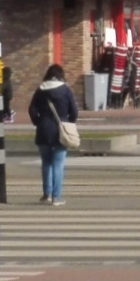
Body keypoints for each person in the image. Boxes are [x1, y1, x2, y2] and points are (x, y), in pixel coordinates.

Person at [28, 63, 79, 205]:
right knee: (58, 164)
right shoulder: (66, 90)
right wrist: (69, 122)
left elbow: (32, 109)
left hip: (43, 129)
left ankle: (46, 195)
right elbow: (74, 111)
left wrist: (38, 121)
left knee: (46, 163)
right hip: (60, 129)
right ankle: (57, 197)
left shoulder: (40, 89)